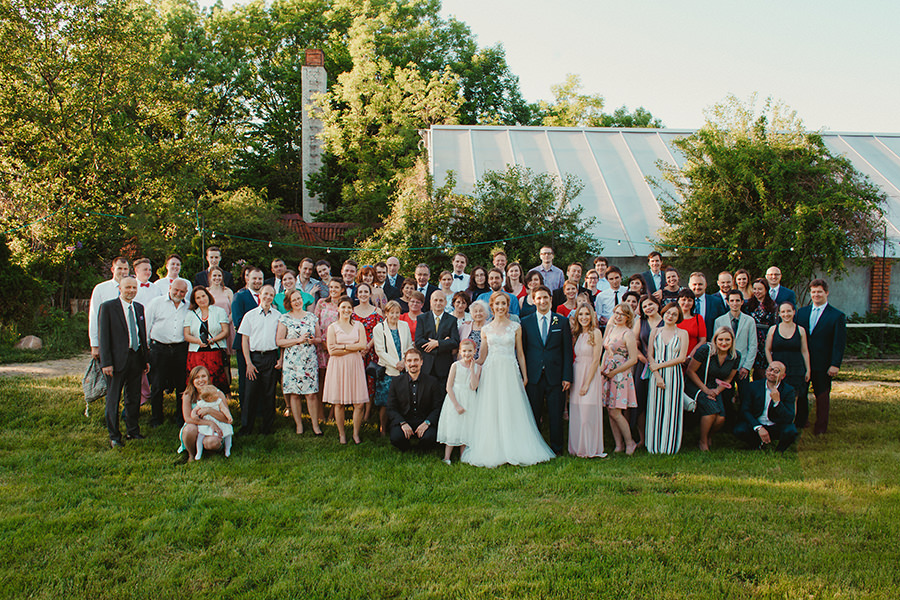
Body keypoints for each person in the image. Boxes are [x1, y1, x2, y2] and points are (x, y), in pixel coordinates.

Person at [463, 292, 556, 467]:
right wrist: (470, 362)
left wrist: (525, 375)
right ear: (492, 306)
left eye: (503, 304)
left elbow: (520, 353)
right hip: (491, 372)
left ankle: (515, 446)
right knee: (492, 408)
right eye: (497, 304)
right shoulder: (486, 329)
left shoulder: (515, 327)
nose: (500, 307)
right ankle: (494, 447)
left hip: (510, 371)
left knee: (511, 407)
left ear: (507, 306)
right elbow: (483, 356)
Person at [520, 285, 573, 455]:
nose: (542, 301)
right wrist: (524, 375)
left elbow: (567, 351)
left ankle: (557, 449)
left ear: (551, 299)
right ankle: (534, 448)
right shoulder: (525, 322)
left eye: (545, 297)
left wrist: (567, 376)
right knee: (533, 414)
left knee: (556, 414)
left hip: (556, 376)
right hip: (533, 376)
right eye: (539, 298)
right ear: (534, 300)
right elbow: (523, 351)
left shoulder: (561, 321)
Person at [98, 277, 149, 448]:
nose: (131, 290)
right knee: (113, 398)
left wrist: (145, 359)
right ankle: (114, 436)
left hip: (136, 358)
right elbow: (104, 336)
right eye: (128, 287)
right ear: (120, 288)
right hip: (116, 361)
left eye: (134, 287)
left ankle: (133, 431)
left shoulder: (139, 307)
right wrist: (106, 362)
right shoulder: (108, 307)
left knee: (133, 397)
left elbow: (141, 334)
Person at [795, 279, 846, 434]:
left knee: (822, 395)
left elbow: (839, 343)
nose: (816, 295)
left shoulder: (837, 316)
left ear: (826, 293)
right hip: (803, 362)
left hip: (823, 363)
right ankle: (801, 422)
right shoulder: (801, 313)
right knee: (801, 393)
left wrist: (835, 364)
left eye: (819, 292)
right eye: (813, 292)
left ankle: (821, 427)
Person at [686, 326, 741, 451]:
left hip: (714, 388)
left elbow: (728, 379)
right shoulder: (705, 350)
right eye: (720, 339)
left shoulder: (735, 356)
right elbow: (690, 371)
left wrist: (717, 391)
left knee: (721, 418)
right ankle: (703, 441)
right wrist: (705, 390)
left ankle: (708, 435)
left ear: (732, 341)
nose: (724, 343)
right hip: (697, 384)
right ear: (715, 340)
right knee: (711, 412)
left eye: (727, 340)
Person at [323, 296, 368, 444]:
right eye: (343, 307)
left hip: (355, 364)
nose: (346, 310)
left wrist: (342, 346)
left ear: (352, 310)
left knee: (359, 403)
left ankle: (356, 433)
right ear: (338, 309)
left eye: (349, 307)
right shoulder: (332, 327)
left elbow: (363, 345)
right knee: (339, 403)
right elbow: (332, 351)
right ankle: (342, 434)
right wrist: (352, 347)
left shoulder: (359, 326)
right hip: (338, 365)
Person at [276, 288, 322, 436]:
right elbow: (279, 341)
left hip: (309, 360)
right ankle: (299, 425)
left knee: (311, 394)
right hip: (292, 361)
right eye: (294, 300)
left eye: (299, 298)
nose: (297, 302)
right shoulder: (285, 318)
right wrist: (298, 340)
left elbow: (319, 338)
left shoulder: (312, 317)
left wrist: (313, 340)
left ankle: (315, 425)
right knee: (294, 394)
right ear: (289, 303)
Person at [145, 278, 189, 427]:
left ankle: (181, 417)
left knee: (181, 385)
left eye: (182, 291)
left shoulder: (188, 306)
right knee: (157, 385)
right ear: (170, 288)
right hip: (159, 349)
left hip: (180, 349)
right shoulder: (156, 303)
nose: (178, 293)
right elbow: (146, 326)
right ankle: (156, 418)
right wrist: (146, 348)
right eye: (176, 290)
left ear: (186, 292)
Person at [646, 302, 688, 454]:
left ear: (678, 317)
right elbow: (650, 355)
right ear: (663, 313)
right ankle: (653, 446)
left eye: (674, 314)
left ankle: (668, 446)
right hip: (655, 374)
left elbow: (682, 358)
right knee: (655, 408)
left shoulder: (682, 333)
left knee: (671, 408)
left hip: (673, 374)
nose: (670, 316)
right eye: (668, 313)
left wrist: (660, 365)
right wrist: (657, 375)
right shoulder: (655, 331)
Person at [238, 285, 281, 435]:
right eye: (265, 294)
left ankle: (267, 427)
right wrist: (248, 363)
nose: (268, 297)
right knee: (250, 393)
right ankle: (246, 427)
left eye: (271, 295)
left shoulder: (278, 316)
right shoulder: (250, 316)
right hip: (255, 358)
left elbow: (281, 338)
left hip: (270, 357)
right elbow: (245, 341)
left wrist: (280, 359)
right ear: (260, 295)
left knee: (269, 393)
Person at [734, 361, 799, 453]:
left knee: (791, 431)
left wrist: (777, 402)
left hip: (776, 425)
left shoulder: (788, 390)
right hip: (758, 424)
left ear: (783, 376)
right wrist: (758, 427)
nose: (772, 373)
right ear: (766, 371)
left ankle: (779, 450)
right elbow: (745, 410)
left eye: (776, 371)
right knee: (740, 430)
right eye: (770, 370)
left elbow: (789, 417)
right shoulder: (753, 386)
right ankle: (756, 444)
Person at [600, 303, 639, 455]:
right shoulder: (611, 329)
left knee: (616, 412)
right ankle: (618, 444)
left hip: (620, 375)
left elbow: (633, 359)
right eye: (616, 313)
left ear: (628, 317)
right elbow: (605, 349)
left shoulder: (628, 334)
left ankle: (630, 442)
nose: (618, 316)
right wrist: (602, 368)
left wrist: (615, 371)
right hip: (607, 373)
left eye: (622, 314)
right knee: (610, 411)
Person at [568, 304, 606, 458]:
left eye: (587, 314)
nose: (584, 317)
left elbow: (596, 359)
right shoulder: (577, 334)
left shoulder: (596, 333)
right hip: (577, 372)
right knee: (577, 412)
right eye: (581, 314)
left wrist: (586, 383)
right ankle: (577, 447)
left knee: (587, 414)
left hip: (590, 374)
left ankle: (589, 447)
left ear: (592, 316)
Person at [387, 348, 442, 452]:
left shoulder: (432, 382)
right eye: (409, 361)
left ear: (421, 362)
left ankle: (421, 447)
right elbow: (391, 408)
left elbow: (437, 407)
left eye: (416, 360)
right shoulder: (396, 382)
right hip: (404, 420)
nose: (413, 364)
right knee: (396, 438)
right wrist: (402, 423)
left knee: (430, 438)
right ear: (405, 363)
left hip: (424, 420)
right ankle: (406, 446)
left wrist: (427, 423)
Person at [373, 301, 413, 436]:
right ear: (386, 313)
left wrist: (404, 362)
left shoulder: (404, 325)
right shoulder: (379, 328)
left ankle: (399, 426)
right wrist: (396, 363)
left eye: (397, 313)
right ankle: (383, 428)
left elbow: (409, 345)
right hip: (388, 370)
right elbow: (380, 351)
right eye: (392, 313)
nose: (395, 315)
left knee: (402, 400)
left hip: (404, 368)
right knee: (386, 402)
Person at [437, 339, 480, 464]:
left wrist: (472, 370)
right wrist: (456, 405)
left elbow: (474, 386)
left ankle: (463, 456)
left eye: (470, 351)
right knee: (453, 425)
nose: (467, 354)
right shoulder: (455, 365)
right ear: (460, 352)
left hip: (469, 399)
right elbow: (448, 386)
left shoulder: (477, 368)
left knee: (466, 426)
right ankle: (447, 457)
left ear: (475, 352)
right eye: (464, 351)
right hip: (455, 398)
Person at [182, 286, 231, 394]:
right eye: (198, 298)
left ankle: (217, 398)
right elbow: (186, 335)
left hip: (214, 352)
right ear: (194, 300)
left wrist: (213, 339)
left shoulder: (219, 311)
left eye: (203, 296)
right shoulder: (191, 314)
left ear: (208, 296)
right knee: (197, 379)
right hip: (196, 353)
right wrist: (197, 341)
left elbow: (225, 331)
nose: (202, 299)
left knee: (215, 379)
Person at [765, 302, 811, 409]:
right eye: (783, 312)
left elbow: (805, 351)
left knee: (793, 398)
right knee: (777, 396)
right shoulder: (773, 329)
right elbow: (767, 349)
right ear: (779, 314)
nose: (786, 314)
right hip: (778, 371)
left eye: (789, 311)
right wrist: (772, 366)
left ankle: (791, 419)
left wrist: (808, 369)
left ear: (794, 312)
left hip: (796, 370)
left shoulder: (800, 330)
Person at [714, 290, 757, 404]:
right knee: (727, 396)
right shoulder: (719, 321)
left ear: (742, 302)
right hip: (726, 366)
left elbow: (753, 345)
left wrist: (747, 367)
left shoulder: (749, 321)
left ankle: (744, 414)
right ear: (727, 302)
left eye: (737, 300)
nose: (735, 303)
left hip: (742, 366)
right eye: (732, 300)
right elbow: (716, 345)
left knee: (744, 397)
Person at [178, 366, 230, 461]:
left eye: (203, 376)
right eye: (197, 377)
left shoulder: (218, 394)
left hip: (213, 429)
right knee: (189, 429)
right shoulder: (188, 395)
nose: (200, 380)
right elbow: (188, 419)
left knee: (212, 442)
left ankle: (209, 450)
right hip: (196, 426)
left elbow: (227, 419)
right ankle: (191, 454)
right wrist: (209, 423)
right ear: (192, 380)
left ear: (208, 378)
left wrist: (209, 411)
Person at [632, 294, 663, 449]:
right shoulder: (641, 322)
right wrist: (641, 357)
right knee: (641, 401)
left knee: (658, 401)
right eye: (644, 306)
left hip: (663, 366)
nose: (648, 308)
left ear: (657, 305)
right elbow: (634, 342)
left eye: (651, 304)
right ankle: (643, 438)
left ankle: (657, 437)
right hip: (643, 366)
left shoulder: (666, 321)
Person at [231, 266, 264, 408]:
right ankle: (245, 408)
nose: (257, 281)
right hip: (245, 344)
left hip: (262, 346)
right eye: (254, 278)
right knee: (246, 377)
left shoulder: (265, 297)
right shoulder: (239, 297)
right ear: (247, 280)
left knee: (260, 378)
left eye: (260, 278)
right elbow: (238, 322)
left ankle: (260, 408)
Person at [415, 290, 460, 391]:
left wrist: (438, 343)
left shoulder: (452, 320)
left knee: (442, 395)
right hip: (426, 365)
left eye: (441, 300)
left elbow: (455, 342)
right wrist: (444, 344)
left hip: (444, 366)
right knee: (426, 395)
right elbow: (418, 341)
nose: (438, 303)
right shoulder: (422, 318)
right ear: (430, 302)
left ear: (445, 302)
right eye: (435, 300)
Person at [89, 256, 130, 360]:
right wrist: (94, 344)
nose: (123, 272)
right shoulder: (100, 289)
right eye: (119, 268)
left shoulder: (133, 289)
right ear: (112, 269)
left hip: (128, 342)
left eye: (125, 269)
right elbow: (94, 316)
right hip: (108, 340)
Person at [352, 282, 385, 409]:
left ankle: (368, 411)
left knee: (371, 379)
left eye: (366, 292)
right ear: (357, 295)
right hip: (357, 351)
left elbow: (381, 331)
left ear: (370, 294)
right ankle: (358, 407)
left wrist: (368, 346)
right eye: (360, 292)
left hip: (372, 350)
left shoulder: (377, 311)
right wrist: (360, 347)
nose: (363, 294)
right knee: (358, 379)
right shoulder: (352, 312)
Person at [744, 278, 777, 380]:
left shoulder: (773, 306)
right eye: (755, 289)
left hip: (766, 340)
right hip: (751, 338)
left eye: (760, 289)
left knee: (762, 371)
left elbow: (774, 324)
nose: (757, 291)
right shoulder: (747, 305)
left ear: (766, 290)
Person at [192, 385, 234, 459]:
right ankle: (199, 452)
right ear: (210, 398)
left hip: (218, 422)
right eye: (215, 393)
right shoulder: (202, 403)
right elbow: (194, 410)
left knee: (228, 433)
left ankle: (227, 449)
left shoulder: (218, 401)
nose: (217, 394)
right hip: (207, 423)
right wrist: (194, 415)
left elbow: (224, 409)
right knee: (200, 435)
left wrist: (229, 416)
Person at [314, 279, 345, 373]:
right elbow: (315, 322)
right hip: (322, 342)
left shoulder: (344, 305)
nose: (333, 290)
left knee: (336, 371)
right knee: (322, 372)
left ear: (342, 290)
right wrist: (322, 341)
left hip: (337, 343)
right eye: (331, 287)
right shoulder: (322, 302)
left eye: (336, 287)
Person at [206, 266, 235, 355]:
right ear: (210, 277)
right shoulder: (206, 292)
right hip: (212, 326)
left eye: (219, 275)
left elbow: (233, 310)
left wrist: (225, 322)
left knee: (227, 355)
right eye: (214, 275)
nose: (217, 278)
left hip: (227, 324)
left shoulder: (228, 291)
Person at [689, 272, 724, 340]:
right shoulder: (684, 303)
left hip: (710, 341)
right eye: (694, 284)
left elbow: (721, 324)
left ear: (705, 285)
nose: (697, 287)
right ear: (689, 285)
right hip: (689, 342)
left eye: (700, 284)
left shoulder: (716, 302)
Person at [676, 289, 706, 358]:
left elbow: (702, 340)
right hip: (674, 357)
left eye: (689, 300)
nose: (686, 303)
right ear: (678, 301)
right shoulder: (673, 318)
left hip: (693, 357)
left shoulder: (698, 318)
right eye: (683, 300)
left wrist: (690, 356)